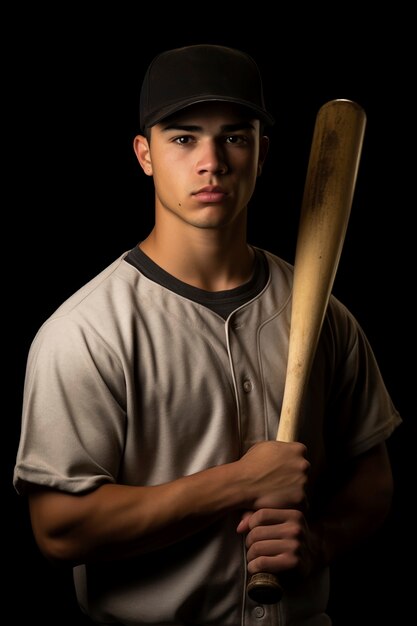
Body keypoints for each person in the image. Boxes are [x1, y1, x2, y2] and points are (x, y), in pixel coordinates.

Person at [14, 44, 401, 625]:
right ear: (144, 153)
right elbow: (60, 531)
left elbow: (372, 485)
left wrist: (316, 543)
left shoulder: (324, 315)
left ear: (262, 152)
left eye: (235, 137)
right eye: (183, 137)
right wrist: (237, 483)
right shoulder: (87, 333)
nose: (212, 162)